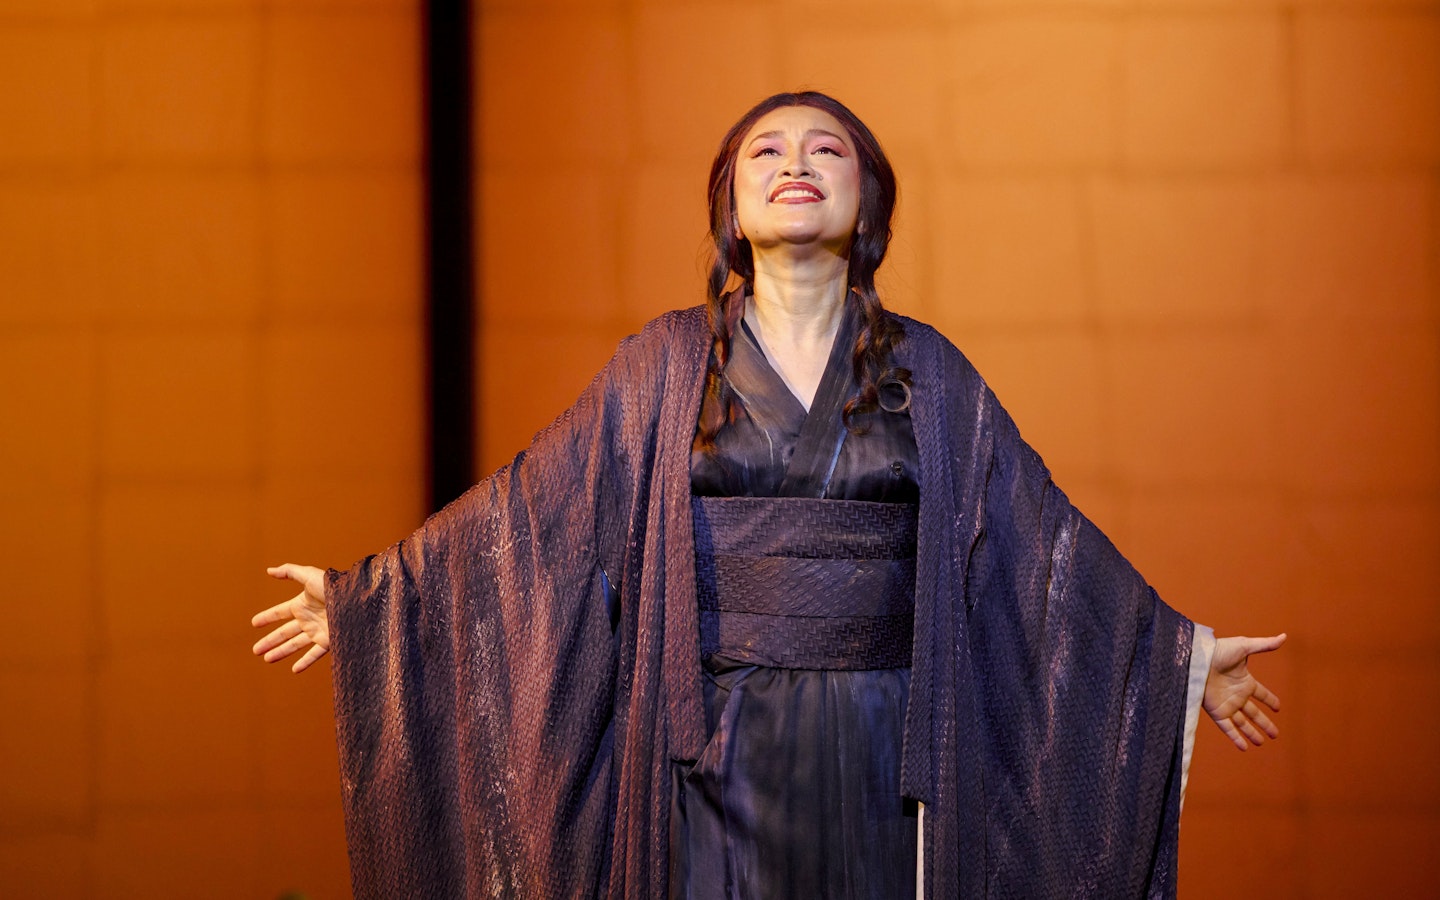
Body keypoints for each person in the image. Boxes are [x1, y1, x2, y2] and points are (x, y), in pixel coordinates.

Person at [253, 91, 1284, 899]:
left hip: (888, 756)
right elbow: (535, 519)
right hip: (710, 750)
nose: (797, 163)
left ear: (869, 200)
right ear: (730, 212)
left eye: (826, 150)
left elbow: (1035, 542)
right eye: (767, 151)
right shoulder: (661, 366)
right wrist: (382, 602)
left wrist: (1175, 657)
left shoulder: (932, 372)